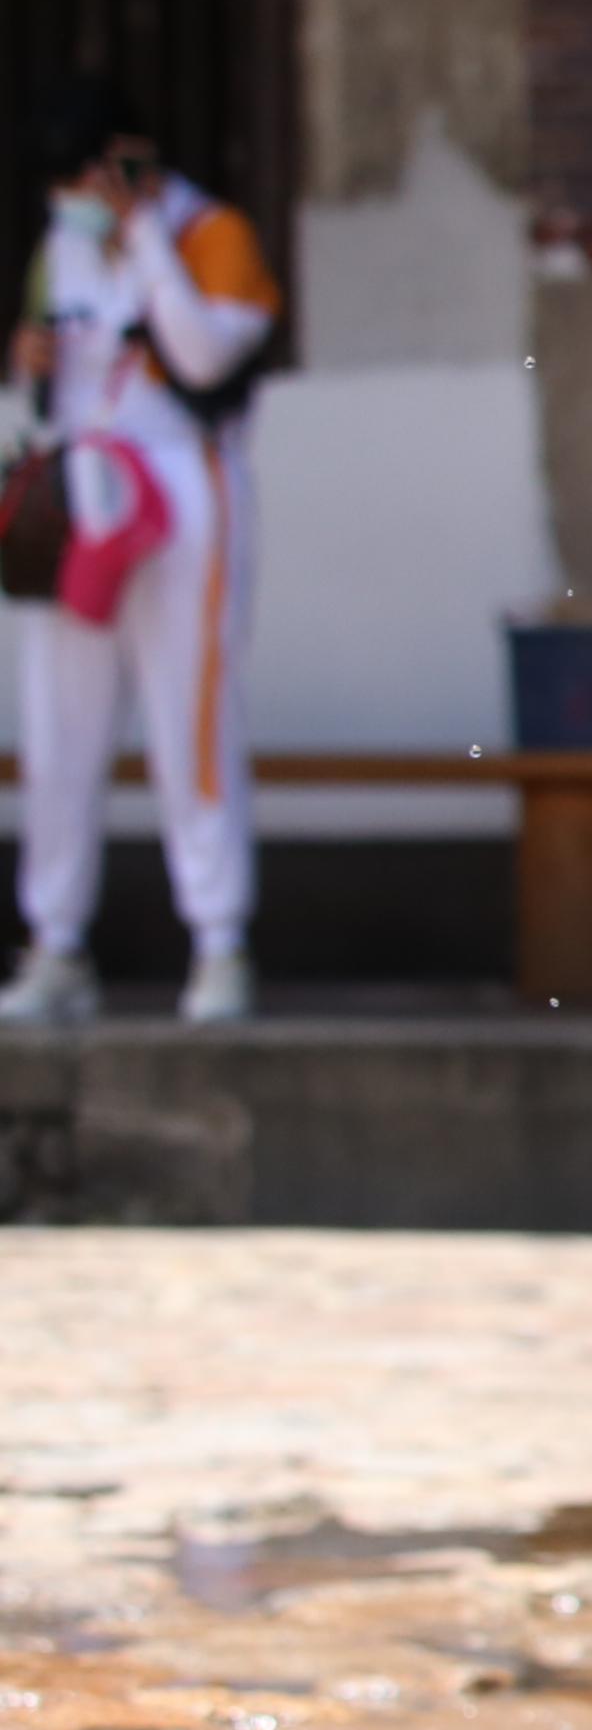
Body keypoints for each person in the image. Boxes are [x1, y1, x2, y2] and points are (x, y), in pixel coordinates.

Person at [5, 81, 277, 1028]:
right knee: (57, 734)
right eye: (67, 179)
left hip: (186, 499)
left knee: (187, 724)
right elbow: (50, 397)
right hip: (83, 505)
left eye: (92, 170)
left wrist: (146, 235)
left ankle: (218, 941)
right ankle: (55, 944)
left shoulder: (215, 235)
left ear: (131, 154)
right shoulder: (61, 247)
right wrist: (27, 367)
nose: (79, 193)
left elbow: (205, 357)